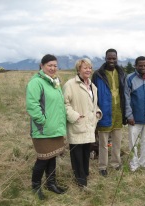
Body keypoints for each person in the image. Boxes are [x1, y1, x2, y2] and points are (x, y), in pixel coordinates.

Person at [26, 54, 67, 200]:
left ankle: (51, 184)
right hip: (43, 130)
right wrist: (43, 121)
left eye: (55, 65)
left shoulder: (54, 82)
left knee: (52, 157)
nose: (53, 68)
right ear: (42, 66)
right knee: (42, 159)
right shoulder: (36, 82)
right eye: (50, 65)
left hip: (55, 128)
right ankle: (36, 186)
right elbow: (32, 106)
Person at [63, 58, 102, 189]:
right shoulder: (70, 84)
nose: (88, 70)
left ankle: (84, 174)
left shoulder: (93, 86)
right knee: (77, 154)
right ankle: (80, 180)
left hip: (89, 125)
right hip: (77, 124)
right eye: (85, 68)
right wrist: (74, 116)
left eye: (90, 68)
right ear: (78, 69)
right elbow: (64, 104)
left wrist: (98, 112)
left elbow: (93, 104)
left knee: (86, 152)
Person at [92, 49, 126, 177]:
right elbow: (93, 95)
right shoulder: (98, 74)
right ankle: (102, 166)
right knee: (103, 142)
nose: (112, 61)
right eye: (109, 58)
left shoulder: (121, 73)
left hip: (118, 112)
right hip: (104, 112)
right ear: (105, 58)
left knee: (117, 141)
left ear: (117, 58)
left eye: (114, 58)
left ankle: (116, 163)